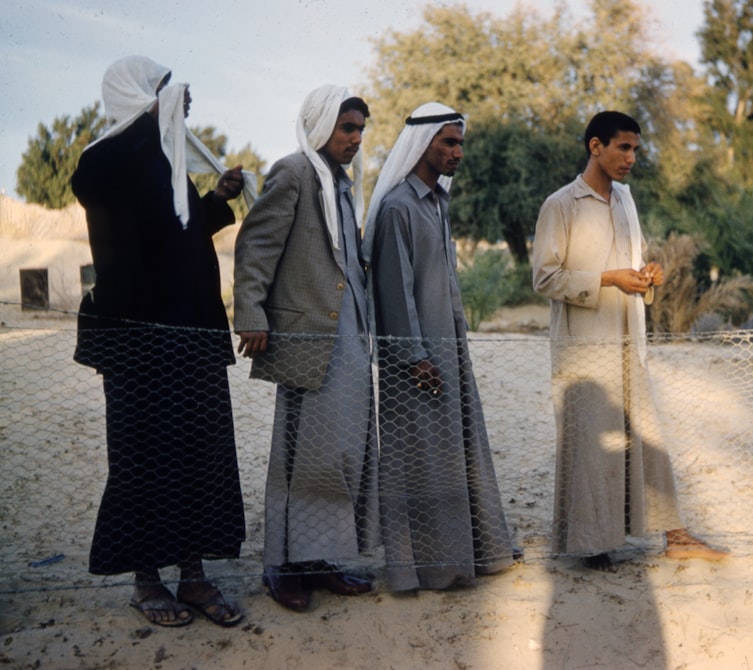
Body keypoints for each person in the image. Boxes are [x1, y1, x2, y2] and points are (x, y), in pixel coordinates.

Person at [71, 55, 249, 627]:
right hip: (139, 345)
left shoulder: (166, 161)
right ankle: (147, 580)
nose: (185, 98)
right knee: (143, 459)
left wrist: (216, 199)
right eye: (168, 90)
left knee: (200, 454)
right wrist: (160, 119)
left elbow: (183, 231)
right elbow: (130, 220)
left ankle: (192, 576)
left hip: (193, 336)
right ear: (136, 96)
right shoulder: (102, 163)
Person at [531, 110, 728, 571]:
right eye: (623, 147)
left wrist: (647, 275)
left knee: (646, 437)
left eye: (636, 149)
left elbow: (633, 267)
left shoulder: (625, 200)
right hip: (583, 347)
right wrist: (607, 280)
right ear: (595, 146)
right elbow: (544, 277)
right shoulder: (560, 205)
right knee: (591, 446)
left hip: (628, 342)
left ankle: (675, 534)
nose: (631, 158)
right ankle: (592, 544)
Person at [233, 85, 376, 611]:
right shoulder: (293, 172)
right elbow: (256, 245)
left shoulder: (341, 183)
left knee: (339, 452)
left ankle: (321, 561)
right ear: (320, 126)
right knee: (301, 457)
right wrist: (250, 313)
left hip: (349, 339)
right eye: (347, 128)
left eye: (360, 129)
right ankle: (283, 569)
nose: (356, 138)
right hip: (307, 339)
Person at [362, 102, 515, 591]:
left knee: (459, 450)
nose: (457, 152)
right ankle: (427, 567)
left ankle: (472, 554)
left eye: (460, 143)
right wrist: (416, 357)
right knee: (422, 459)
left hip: (448, 352)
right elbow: (395, 291)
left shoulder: (437, 202)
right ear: (421, 144)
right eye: (448, 142)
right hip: (417, 362)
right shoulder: (397, 208)